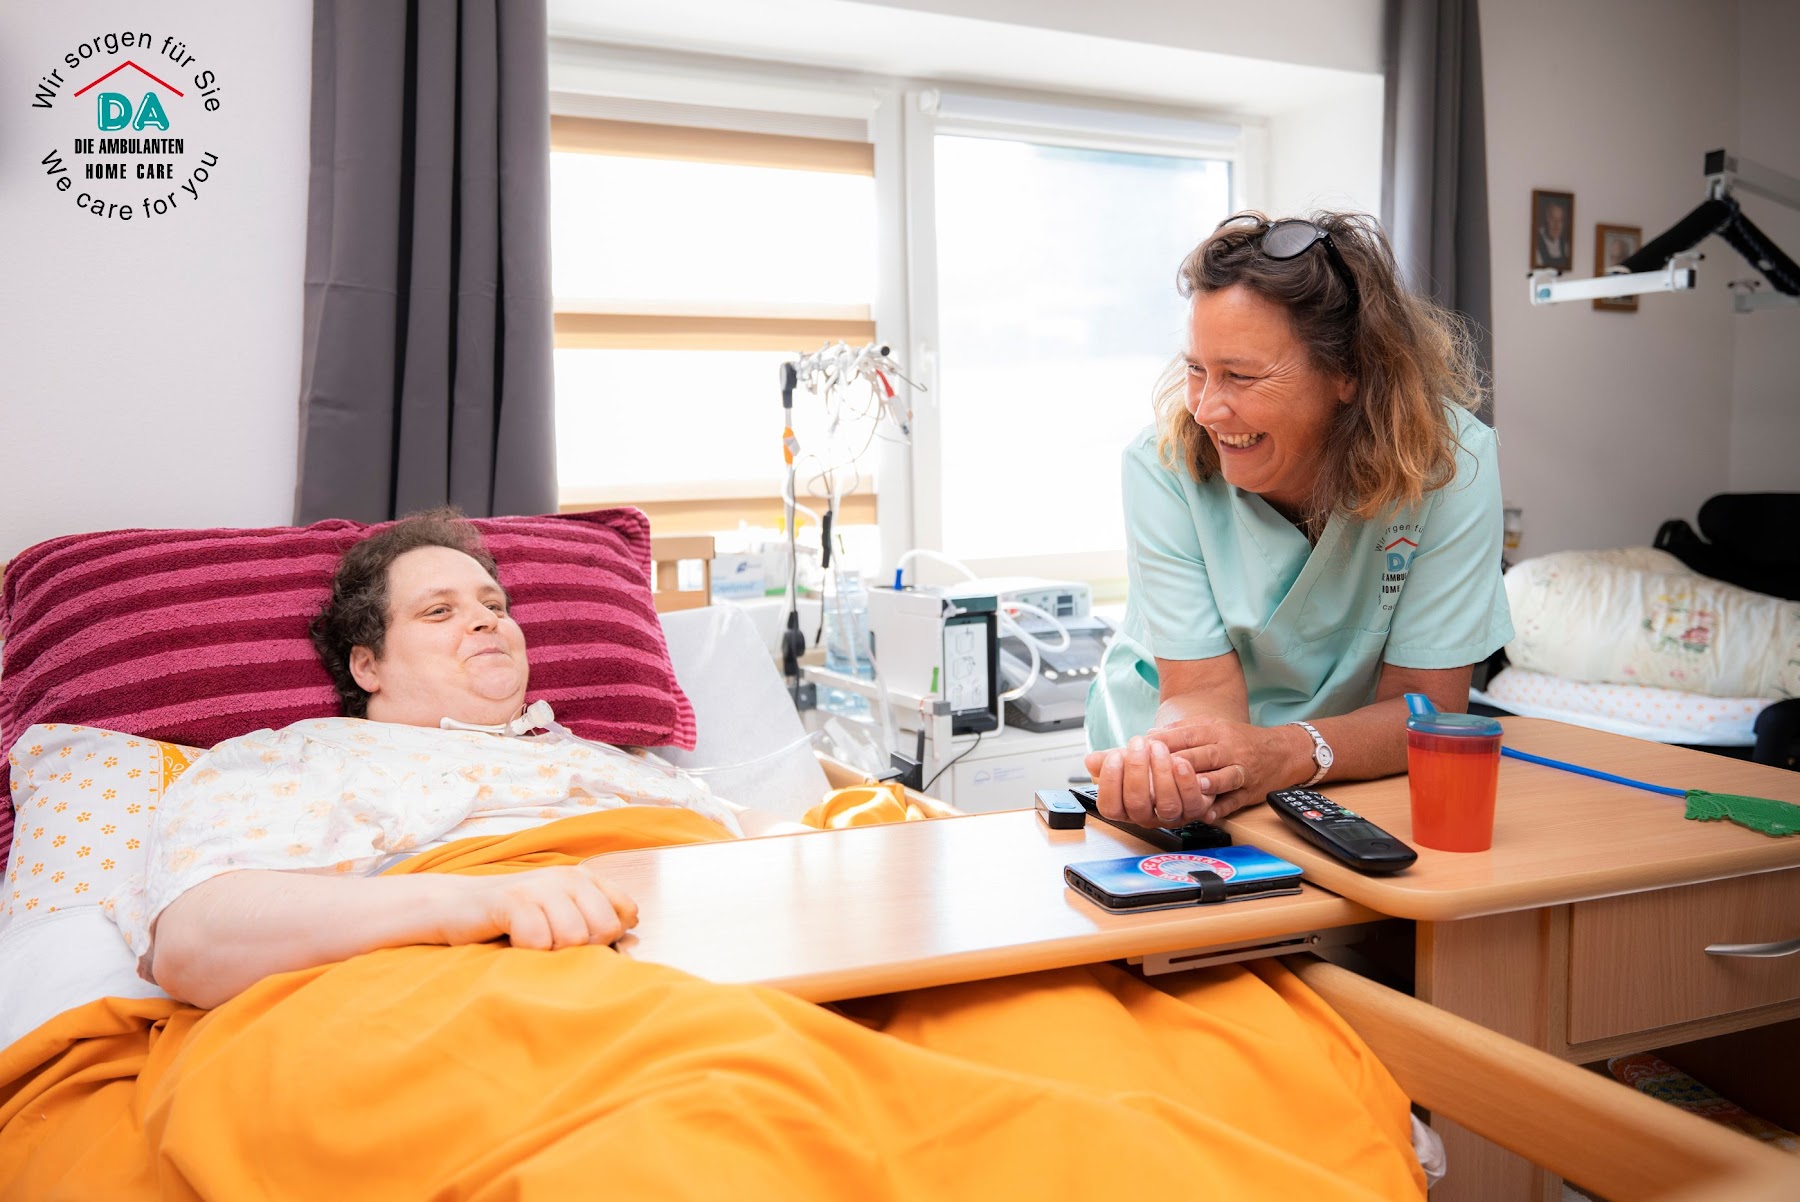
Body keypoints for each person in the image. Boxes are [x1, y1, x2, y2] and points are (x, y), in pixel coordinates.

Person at [1084, 211, 1512, 831]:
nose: (1205, 409)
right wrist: (1173, 766)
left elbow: (1428, 707)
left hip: (1347, 775)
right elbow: (1200, 690)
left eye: (1241, 375)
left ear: (1348, 372)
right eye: (1197, 369)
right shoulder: (1163, 465)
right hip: (1182, 772)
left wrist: (1288, 752)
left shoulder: (1450, 464)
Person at [1535, 200, 1570, 270]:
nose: (1556, 225)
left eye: (1560, 220)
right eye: (1553, 219)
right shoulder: (1536, 243)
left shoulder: (1566, 246)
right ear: (1546, 218)